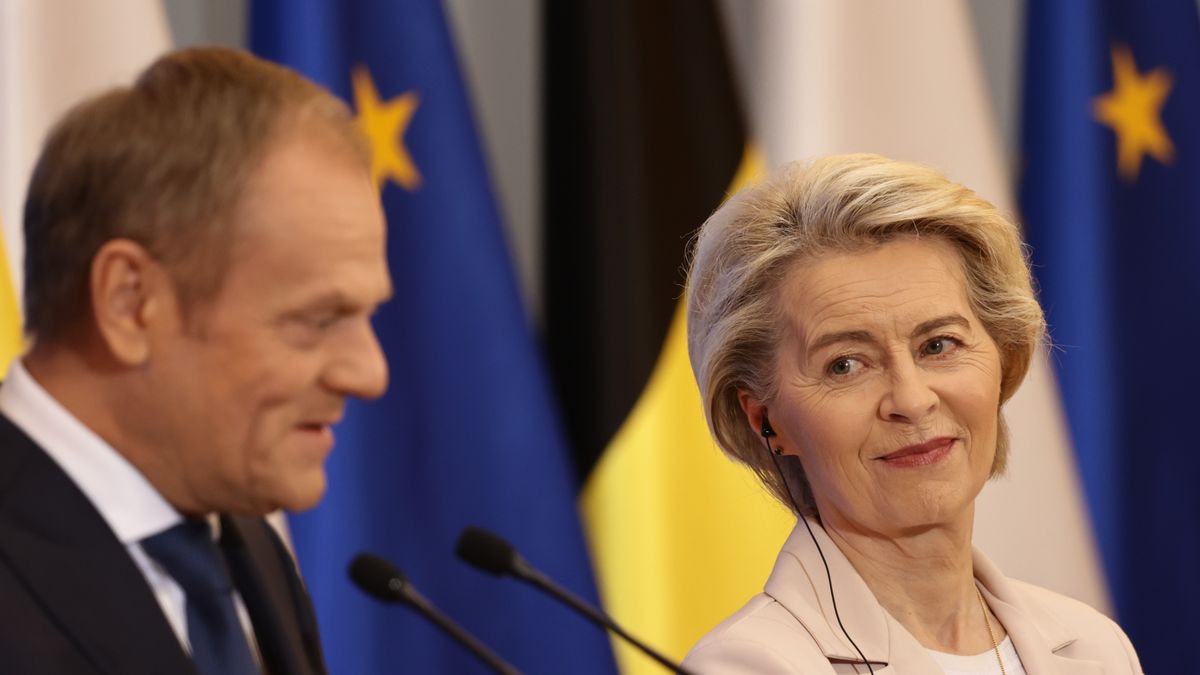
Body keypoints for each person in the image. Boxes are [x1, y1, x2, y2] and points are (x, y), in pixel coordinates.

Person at [0, 47, 390, 675]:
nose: (370, 372)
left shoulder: (247, 547)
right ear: (131, 303)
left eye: (368, 317)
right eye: (317, 321)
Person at [681, 154, 1143, 674]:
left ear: (1005, 357)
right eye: (845, 365)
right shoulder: (748, 666)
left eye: (939, 344)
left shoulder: (1095, 648)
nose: (911, 399)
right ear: (765, 419)